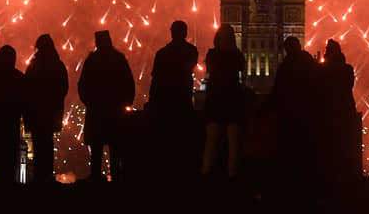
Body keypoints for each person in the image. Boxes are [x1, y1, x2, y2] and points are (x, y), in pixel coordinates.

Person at [77, 30, 135, 182]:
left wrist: (89, 102)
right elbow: (129, 84)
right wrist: (126, 104)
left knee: (96, 146)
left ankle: (96, 176)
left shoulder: (92, 61)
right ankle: (116, 175)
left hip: (97, 110)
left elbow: (82, 85)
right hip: (116, 110)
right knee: (115, 146)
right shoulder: (119, 59)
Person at [147, 20, 199, 180]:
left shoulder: (162, 53)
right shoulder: (192, 51)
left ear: (171, 32)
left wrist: (152, 101)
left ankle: (166, 174)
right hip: (183, 101)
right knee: (183, 141)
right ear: (185, 33)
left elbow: (155, 79)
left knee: (167, 142)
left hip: (166, 103)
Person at [268, 36, 318, 181]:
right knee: (304, 148)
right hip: (307, 113)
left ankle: (290, 179)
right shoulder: (310, 64)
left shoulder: (286, 67)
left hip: (290, 114)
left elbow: (277, 91)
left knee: (290, 148)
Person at [201, 24, 245, 179]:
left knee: (211, 140)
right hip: (232, 100)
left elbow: (210, 73)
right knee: (234, 142)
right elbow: (242, 71)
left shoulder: (212, 55)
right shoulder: (236, 54)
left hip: (215, 101)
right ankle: (232, 174)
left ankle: (207, 173)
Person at [25, 34, 68, 184]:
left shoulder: (34, 65)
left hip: (37, 112)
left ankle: (39, 176)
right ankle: (47, 175)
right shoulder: (58, 65)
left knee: (38, 143)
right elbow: (64, 88)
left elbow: (27, 89)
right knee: (48, 142)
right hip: (51, 112)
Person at [0, 45, 25, 185]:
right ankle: (9, 182)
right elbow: (25, 100)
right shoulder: (19, 77)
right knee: (11, 152)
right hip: (11, 120)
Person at [320, 39, 361, 181]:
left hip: (332, 111)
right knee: (345, 145)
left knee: (333, 145)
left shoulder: (325, 70)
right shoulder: (347, 69)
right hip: (345, 109)